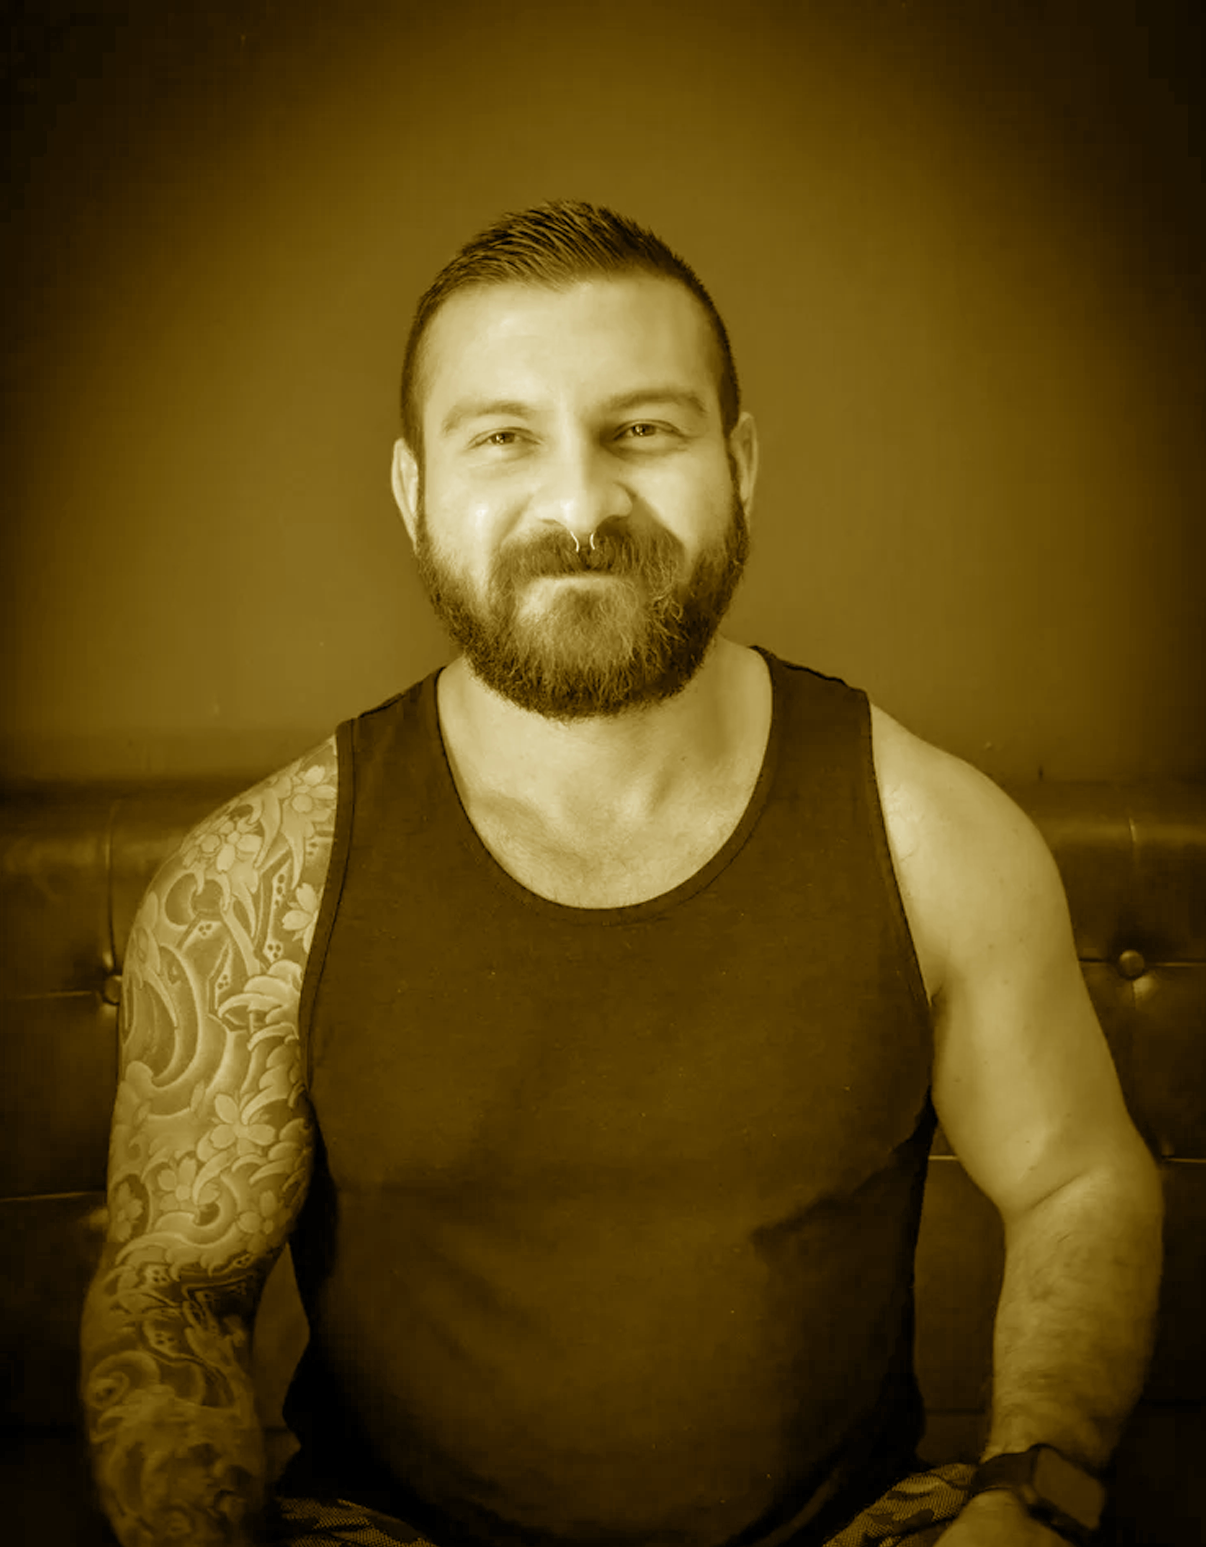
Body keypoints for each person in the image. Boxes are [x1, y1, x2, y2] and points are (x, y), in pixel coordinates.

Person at [79, 199, 1163, 1547]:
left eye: (642, 430)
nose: (581, 502)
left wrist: (1031, 1495)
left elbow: (1076, 1177)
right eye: (504, 438)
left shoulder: (929, 832)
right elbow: (172, 1289)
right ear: (414, 490)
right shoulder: (265, 877)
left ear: (741, 463)